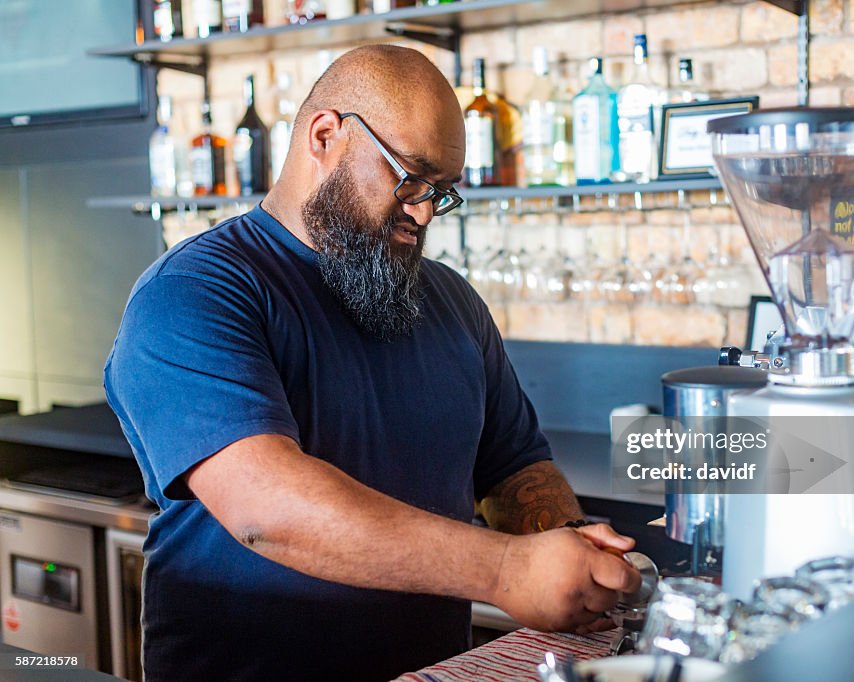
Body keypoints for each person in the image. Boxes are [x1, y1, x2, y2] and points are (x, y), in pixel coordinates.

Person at [104, 45, 640, 681]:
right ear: (326, 136)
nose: (421, 211)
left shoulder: (450, 300)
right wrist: (507, 569)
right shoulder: (196, 290)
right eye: (408, 178)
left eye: (440, 193)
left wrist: (576, 551)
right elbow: (265, 509)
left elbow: (513, 469)